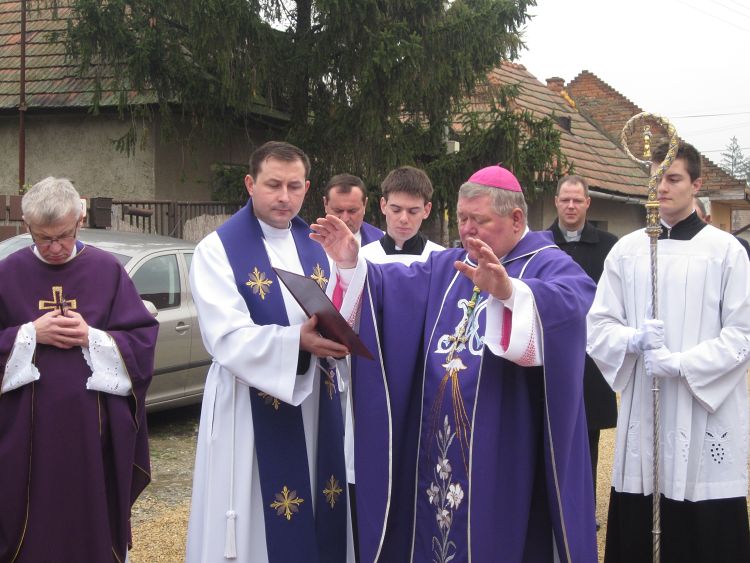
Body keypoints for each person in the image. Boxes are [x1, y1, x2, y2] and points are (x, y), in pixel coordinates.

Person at [312, 165, 598, 562]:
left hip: (507, 448)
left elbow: (574, 300)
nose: (467, 230)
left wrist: (511, 293)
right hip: (436, 441)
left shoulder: (547, 262)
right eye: (462, 218)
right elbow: (390, 290)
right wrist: (350, 265)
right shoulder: (448, 265)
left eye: (479, 220)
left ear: (517, 219)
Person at [186, 141, 355, 562]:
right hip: (247, 405)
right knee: (255, 521)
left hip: (315, 401)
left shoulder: (319, 246)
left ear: (307, 188)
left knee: (319, 496)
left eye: (294, 186)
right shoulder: (217, 250)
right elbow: (225, 337)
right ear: (250, 184)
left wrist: (350, 270)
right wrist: (296, 342)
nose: (284, 197)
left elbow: (346, 308)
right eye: (273, 185)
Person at [587, 141, 750, 563]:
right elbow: (598, 325)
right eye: (656, 178)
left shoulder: (726, 252)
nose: (661, 187)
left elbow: (742, 335)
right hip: (647, 406)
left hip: (702, 406)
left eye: (673, 178)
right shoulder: (628, 250)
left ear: (697, 184)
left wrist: (681, 364)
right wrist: (633, 340)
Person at [0, 177, 158, 562]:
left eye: (64, 236)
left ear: (80, 221)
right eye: (43, 238)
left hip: (93, 438)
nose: (55, 247)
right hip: (24, 438)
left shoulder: (107, 271)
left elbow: (142, 343)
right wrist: (28, 334)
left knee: (89, 527)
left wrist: (92, 337)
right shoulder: (7, 274)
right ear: (27, 226)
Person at [548, 174, 618, 528]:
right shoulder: (541, 243)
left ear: (588, 203)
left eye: (578, 200)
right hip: (550, 355)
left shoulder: (610, 246)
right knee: (549, 434)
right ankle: (550, 508)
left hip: (590, 357)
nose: (571, 206)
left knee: (588, 436)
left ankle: (584, 511)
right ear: (556, 201)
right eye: (565, 200)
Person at [360, 165, 443, 265]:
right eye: (396, 210)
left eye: (413, 211)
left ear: (426, 210)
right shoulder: (363, 259)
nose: (404, 219)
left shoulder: (441, 260)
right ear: (383, 205)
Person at [324, 173, 383, 245]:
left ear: (365, 204)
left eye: (352, 211)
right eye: (338, 211)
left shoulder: (382, 242)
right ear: (325, 204)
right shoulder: (310, 242)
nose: (345, 219)